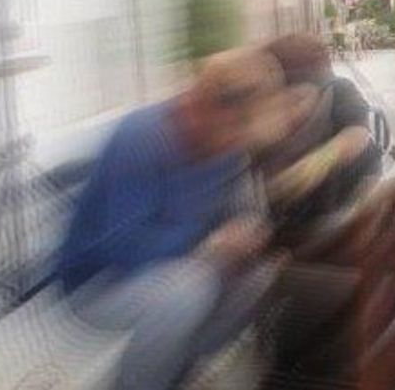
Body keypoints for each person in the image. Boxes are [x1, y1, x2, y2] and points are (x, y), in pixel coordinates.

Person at [52, 46, 314, 390]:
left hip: (180, 268)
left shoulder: (229, 146)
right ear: (204, 107)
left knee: (262, 276)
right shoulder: (142, 135)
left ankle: (177, 371)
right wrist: (209, 242)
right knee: (189, 289)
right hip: (98, 283)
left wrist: (250, 234)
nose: (236, 147)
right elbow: (117, 245)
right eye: (234, 134)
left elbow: (241, 213)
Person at [259, 33, 381, 240]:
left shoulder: (339, 89)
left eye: (317, 89)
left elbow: (357, 132)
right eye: (295, 97)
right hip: (287, 226)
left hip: (343, 200)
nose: (313, 97)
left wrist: (321, 160)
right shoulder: (260, 118)